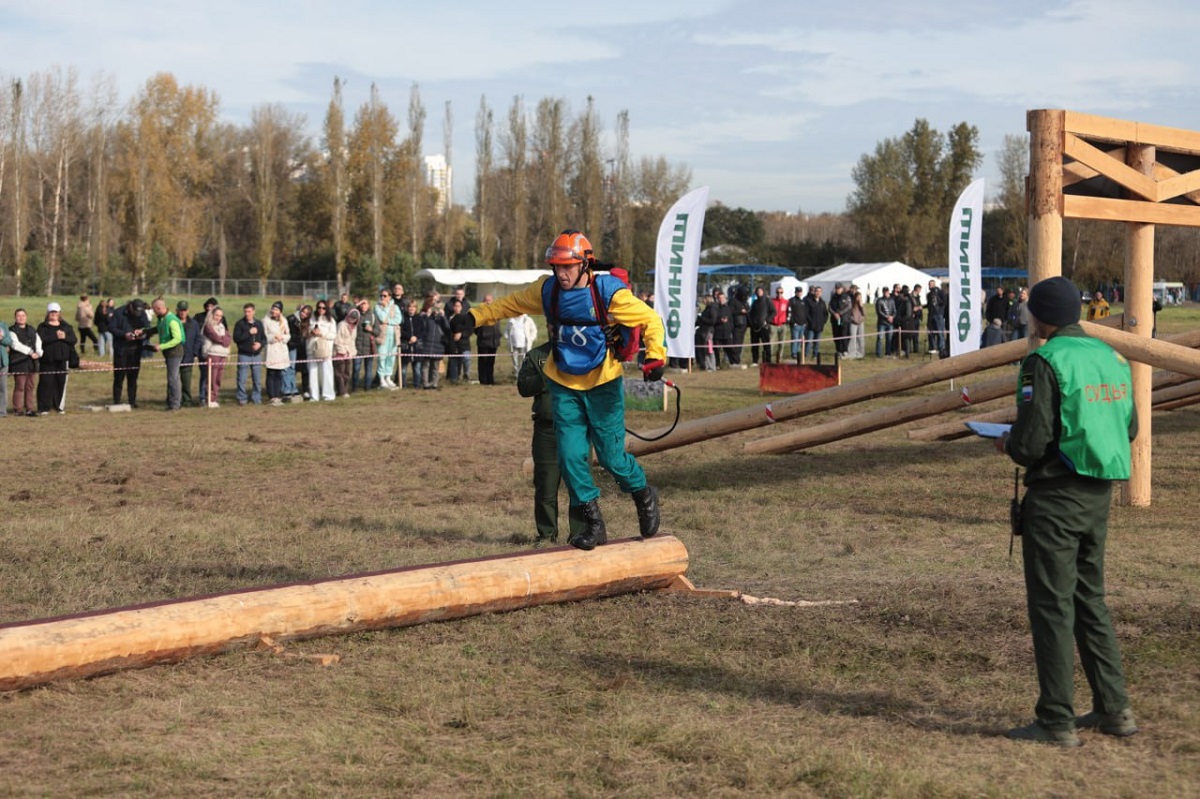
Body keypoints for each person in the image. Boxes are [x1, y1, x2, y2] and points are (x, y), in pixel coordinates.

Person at [455, 229, 665, 551]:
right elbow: (510, 304)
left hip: (603, 385)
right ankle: (594, 523)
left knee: (611, 458)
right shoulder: (548, 290)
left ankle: (643, 493)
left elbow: (651, 320)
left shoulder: (608, 294)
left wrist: (655, 356)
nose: (561, 273)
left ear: (585, 265)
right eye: (556, 266)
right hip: (563, 384)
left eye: (568, 266)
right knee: (569, 457)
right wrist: (474, 317)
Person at [996, 275, 1138, 748]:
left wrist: (1008, 443)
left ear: (1041, 316)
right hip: (1099, 492)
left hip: (1056, 497)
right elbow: (1130, 428)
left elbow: (1031, 443)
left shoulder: (1044, 361)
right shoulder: (1111, 357)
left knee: (1052, 606)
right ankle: (1114, 708)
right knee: (1089, 599)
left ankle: (1055, 720)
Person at [518, 341, 585, 546]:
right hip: (547, 429)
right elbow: (523, 387)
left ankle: (580, 532)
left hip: (576, 428)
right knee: (546, 483)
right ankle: (547, 534)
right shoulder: (537, 355)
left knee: (579, 482)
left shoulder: (584, 350)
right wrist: (548, 373)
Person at [109, 298, 152, 408]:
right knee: (119, 377)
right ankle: (117, 401)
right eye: (136, 312)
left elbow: (147, 327)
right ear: (131, 307)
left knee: (133, 377)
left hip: (135, 349)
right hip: (121, 349)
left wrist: (142, 333)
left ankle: (132, 401)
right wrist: (124, 335)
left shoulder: (142, 313)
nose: (137, 314)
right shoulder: (118, 312)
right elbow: (111, 328)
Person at [36, 302, 77, 414]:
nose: (53, 314)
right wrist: (56, 336)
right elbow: (41, 340)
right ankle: (44, 407)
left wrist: (64, 337)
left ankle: (58, 406)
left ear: (59, 313)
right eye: (51, 312)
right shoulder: (42, 327)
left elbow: (73, 340)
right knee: (46, 383)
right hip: (47, 360)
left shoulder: (66, 326)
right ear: (48, 313)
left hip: (62, 360)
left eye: (55, 312)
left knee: (60, 383)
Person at [149, 298, 185, 411]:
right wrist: (144, 331)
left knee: (173, 378)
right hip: (169, 352)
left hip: (175, 352)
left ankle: (175, 404)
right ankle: (172, 402)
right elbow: (158, 329)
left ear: (159, 308)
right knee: (173, 377)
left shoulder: (172, 320)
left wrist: (161, 346)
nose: (153, 312)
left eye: (154, 310)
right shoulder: (162, 319)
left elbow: (177, 339)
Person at [8, 309, 41, 416]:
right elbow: (15, 345)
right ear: (15, 317)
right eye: (18, 315)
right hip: (19, 362)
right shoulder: (11, 330)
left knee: (30, 386)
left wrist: (39, 353)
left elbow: (38, 342)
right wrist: (30, 352)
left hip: (32, 362)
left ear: (26, 317)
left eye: (23, 315)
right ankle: (18, 409)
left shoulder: (31, 329)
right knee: (20, 386)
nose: (21, 317)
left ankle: (29, 409)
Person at [233, 303, 266, 406]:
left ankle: (257, 398)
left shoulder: (259, 323)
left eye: (249, 311)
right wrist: (248, 332)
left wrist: (260, 345)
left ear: (254, 312)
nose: (247, 313)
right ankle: (242, 398)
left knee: (257, 379)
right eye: (245, 311)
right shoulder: (240, 324)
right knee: (242, 378)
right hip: (244, 355)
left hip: (256, 355)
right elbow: (236, 338)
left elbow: (264, 339)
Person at [415, 294, 449, 389]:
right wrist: (427, 315)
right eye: (434, 307)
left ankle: (434, 383)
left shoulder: (441, 318)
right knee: (425, 365)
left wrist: (443, 316)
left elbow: (447, 328)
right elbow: (422, 326)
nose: (436, 309)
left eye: (437, 307)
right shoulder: (426, 317)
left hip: (438, 344)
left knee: (435, 365)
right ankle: (425, 383)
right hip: (427, 343)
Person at [200, 306, 232, 407]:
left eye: (220, 316)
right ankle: (209, 399)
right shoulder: (208, 326)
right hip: (212, 354)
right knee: (211, 378)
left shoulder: (222, 326)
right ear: (212, 315)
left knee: (218, 378)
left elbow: (228, 338)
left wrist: (223, 340)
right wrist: (223, 340)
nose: (218, 317)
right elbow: (215, 337)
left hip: (222, 354)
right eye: (216, 315)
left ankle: (214, 398)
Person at [307, 300, 337, 401]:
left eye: (323, 308)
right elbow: (306, 332)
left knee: (326, 373)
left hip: (325, 350)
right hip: (312, 349)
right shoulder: (311, 319)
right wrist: (312, 332)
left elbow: (333, 335)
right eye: (319, 307)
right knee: (313, 373)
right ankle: (314, 396)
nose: (321, 310)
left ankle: (328, 395)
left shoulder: (331, 320)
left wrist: (321, 334)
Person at [263, 300, 292, 406]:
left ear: (280, 311)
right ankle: (272, 396)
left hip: (281, 350)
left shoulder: (284, 321)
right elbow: (264, 335)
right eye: (273, 309)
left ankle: (278, 395)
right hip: (271, 349)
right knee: (271, 373)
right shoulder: (266, 320)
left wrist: (282, 337)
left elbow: (288, 335)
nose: (274, 311)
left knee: (279, 373)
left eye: (276, 309)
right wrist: (273, 337)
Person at [374, 289, 402, 389]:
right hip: (382, 336)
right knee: (382, 356)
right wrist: (385, 307)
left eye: (385, 296)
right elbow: (381, 318)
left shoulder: (395, 307)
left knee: (391, 357)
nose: (382, 297)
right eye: (381, 295)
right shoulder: (377, 306)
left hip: (394, 336)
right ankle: (381, 378)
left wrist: (388, 321)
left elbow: (398, 320)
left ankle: (388, 377)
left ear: (389, 297)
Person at [177, 301, 202, 407]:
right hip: (174, 356)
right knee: (174, 381)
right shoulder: (172, 321)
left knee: (186, 381)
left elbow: (198, 339)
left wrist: (194, 352)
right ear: (177, 310)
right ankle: (174, 400)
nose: (183, 312)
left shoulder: (194, 323)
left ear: (188, 310)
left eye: (185, 310)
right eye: (181, 310)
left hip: (188, 356)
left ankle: (187, 401)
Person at [195, 297, 219, 403]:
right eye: (208, 306)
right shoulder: (198, 317)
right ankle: (202, 397)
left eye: (212, 306)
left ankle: (212, 397)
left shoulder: (220, 318)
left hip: (216, 351)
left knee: (215, 376)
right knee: (204, 374)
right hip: (203, 351)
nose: (209, 308)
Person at [474, 294, 501, 385]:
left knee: (491, 361)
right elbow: (475, 328)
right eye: (486, 300)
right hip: (483, 341)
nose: (488, 302)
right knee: (483, 361)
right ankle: (483, 380)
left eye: (489, 300)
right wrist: (482, 334)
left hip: (494, 341)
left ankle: (490, 379)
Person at [333, 308, 359, 397]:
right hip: (339, 353)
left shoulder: (355, 327)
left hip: (349, 353)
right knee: (339, 373)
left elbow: (352, 340)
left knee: (347, 373)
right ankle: (342, 391)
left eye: (354, 318)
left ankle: (345, 389)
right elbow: (337, 340)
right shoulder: (341, 325)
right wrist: (342, 351)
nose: (352, 319)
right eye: (351, 317)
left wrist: (352, 352)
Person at [353, 298, 378, 391]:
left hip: (369, 347)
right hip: (357, 347)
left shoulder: (373, 316)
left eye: (365, 303)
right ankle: (354, 387)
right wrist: (357, 304)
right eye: (362, 304)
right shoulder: (356, 315)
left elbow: (378, 331)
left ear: (369, 305)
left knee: (369, 369)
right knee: (356, 369)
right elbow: (348, 313)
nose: (363, 306)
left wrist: (371, 329)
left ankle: (367, 387)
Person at [399, 299, 420, 388]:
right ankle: (403, 384)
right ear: (407, 308)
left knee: (417, 368)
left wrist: (416, 337)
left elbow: (422, 330)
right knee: (403, 368)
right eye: (410, 307)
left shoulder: (419, 318)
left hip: (417, 347)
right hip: (405, 346)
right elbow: (401, 330)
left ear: (416, 308)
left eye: (413, 307)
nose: (411, 308)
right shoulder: (403, 318)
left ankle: (417, 385)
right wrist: (409, 337)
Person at [803, 286, 828, 360]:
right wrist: (810, 322)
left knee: (817, 342)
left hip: (819, 326)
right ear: (814, 292)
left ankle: (815, 355)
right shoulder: (809, 301)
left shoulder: (822, 302)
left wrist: (823, 322)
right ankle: (806, 355)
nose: (818, 293)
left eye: (819, 291)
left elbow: (825, 314)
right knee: (809, 342)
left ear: (821, 293)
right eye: (817, 291)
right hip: (811, 326)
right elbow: (806, 313)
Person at [747, 286, 771, 366]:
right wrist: (751, 322)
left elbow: (773, 312)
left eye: (760, 291)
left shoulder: (768, 301)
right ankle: (755, 361)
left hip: (764, 327)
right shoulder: (755, 302)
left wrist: (767, 320)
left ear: (763, 291)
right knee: (754, 345)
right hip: (755, 327)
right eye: (757, 291)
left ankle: (768, 361)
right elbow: (751, 313)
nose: (759, 292)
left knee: (766, 344)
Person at [827, 283, 852, 357]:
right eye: (836, 288)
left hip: (844, 320)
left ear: (842, 288)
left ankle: (845, 350)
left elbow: (849, 306)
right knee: (836, 335)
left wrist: (839, 313)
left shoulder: (846, 296)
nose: (837, 290)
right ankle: (838, 350)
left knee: (844, 334)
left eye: (839, 288)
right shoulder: (833, 297)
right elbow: (829, 307)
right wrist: (834, 314)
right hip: (835, 320)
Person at [728, 286, 749, 367]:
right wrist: (740, 311)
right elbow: (730, 311)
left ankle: (737, 360)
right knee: (736, 343)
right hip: (736, 325)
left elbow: (748, 309)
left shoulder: (745, 301)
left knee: (740, 344)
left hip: (743, 325)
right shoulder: (733, 301)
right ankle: (734, 360)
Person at [925, 279, 947, 355]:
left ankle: (941, 347)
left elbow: (944, 302)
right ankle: (933, 347)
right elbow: (929, 304)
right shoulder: (929, 294)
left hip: (939, 314)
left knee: (940, 332)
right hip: (931, 315)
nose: (929, 286)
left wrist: (937, 300)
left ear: (934, 284)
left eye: (930, 284)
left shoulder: (940, 292)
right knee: (931, 332)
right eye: (929, 284)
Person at [768, 286, 789, 364]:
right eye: (778, 292)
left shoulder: (786, 302)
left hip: (783, 325)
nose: (779, 294)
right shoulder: (772, 301)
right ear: (776, 293)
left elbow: (788, 312)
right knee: (771, 343)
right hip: (773, 325)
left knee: (781, 343)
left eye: (781, 292)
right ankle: (770, 357)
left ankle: (779, 358)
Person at [786, 286, 807, 362]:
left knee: (800, 340)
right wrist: (792, 322)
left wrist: (805, 322)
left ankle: (798, 352)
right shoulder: (792, 301)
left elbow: (805, 312)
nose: (799, 293)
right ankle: (793, 353)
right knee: (795, 339)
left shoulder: (803, 301)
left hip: (802, 324)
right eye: (798, 292)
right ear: (795, 292)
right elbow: (789, 312)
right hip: (795, 324)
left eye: (800, 292)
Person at [875, 286, 896, 358]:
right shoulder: (879, 300)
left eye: (887, 291)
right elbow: (879, 311)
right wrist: (887, 317)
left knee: (889, 338)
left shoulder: (892, 300)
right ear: (883, 292)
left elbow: (894, 310)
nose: (886, 293)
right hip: (882, 322)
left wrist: (892, 317)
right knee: (880, 338)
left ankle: (888, 352)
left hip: (890, 323)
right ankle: (878, 353)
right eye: (885, 292)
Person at [846, 291, 866, 359]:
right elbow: (849, 313)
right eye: (858, 297)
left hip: (861, 323)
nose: (859, 298)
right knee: (853, 338)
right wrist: (852, 319)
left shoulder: (861, 305)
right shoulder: (852, 304)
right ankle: (852, 353)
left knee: (861, 338)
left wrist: (861, 306)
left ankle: (861, 353)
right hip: (853, 323)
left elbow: (864, 314)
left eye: (860, 297)